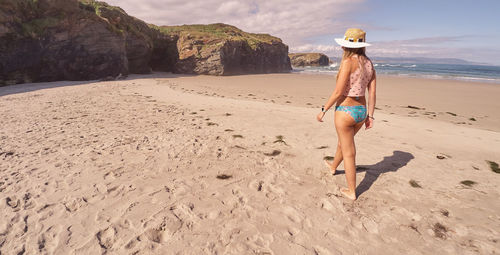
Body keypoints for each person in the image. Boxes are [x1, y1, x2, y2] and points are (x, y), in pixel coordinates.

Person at [316, 28, 376, 200]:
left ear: (348, 47)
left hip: (345, 111)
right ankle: (334, 166)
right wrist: (370, 116)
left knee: (349, 152)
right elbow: (372, 93)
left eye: (344, 45)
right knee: (344, 143)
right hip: (361, 112)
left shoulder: (348, 62)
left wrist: (323, 110)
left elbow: (338, 92)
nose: (342, 48)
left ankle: (352, 191)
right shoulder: (369, 63)